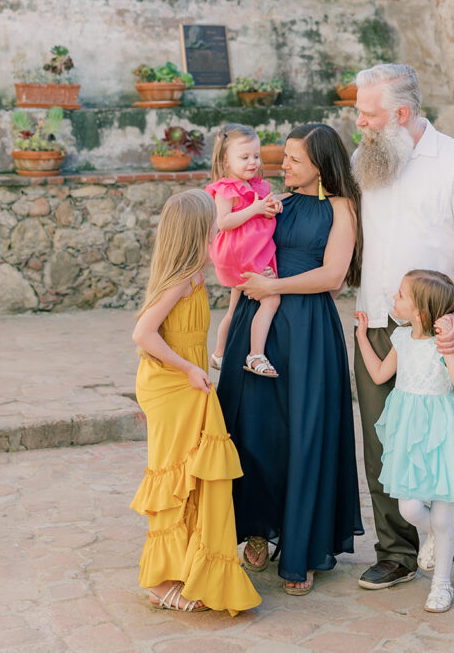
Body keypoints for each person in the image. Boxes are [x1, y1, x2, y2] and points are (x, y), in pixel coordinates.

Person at [353, 63, 454, 597]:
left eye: (367, 114)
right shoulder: (365, 160)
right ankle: (396, 553)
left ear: (401, 113)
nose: (359, 122)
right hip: (377, 324)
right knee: (382, 443)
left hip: (441, 330)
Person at [216, 123, 363, 595]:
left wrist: (273, 287)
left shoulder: (341, 208)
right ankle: (257, 526)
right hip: (256, 323)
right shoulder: (274, 200)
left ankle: (303, 544)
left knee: (306, 434)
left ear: (322, 164)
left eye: (296, 160)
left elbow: (334, 276)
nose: (285, 165)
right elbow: (242, 247)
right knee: (255, 428)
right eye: (286, 158)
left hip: (308, 330)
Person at [130, 189, 261, 616]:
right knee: (174, 480)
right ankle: (161, 581)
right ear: (194, 230)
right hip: (171, 386)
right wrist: (187, 368)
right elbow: (143, 335)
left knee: (194, 478)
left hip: (188, 384)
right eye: (211, 220)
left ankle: (187, 570)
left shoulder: (197, 274)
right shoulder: (181, 280)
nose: (217, 224)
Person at [355, 270, 454, 613]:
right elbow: (379, 375)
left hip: (444, 435)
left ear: (419, 311)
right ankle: (438, 536)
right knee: (410, 507)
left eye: (400, 296)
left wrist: (451, 350)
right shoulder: (400, 339)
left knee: (445, 517)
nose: (393, 300)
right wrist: (360, 337)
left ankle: (441, 585)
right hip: (409, 438)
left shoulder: (446, 344)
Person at [206, 124, 282, 378]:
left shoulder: (259, 187)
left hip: (251, 251)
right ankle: (256, 354)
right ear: (225, 161)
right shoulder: (227, 188)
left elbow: (263, 214)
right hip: (240, 254)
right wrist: (256, 209)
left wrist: (273, 206)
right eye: (244, 157)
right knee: (271, 298)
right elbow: (224, 222)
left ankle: (218, 354)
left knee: (234, 308)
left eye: (256, 156)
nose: (253, 162)